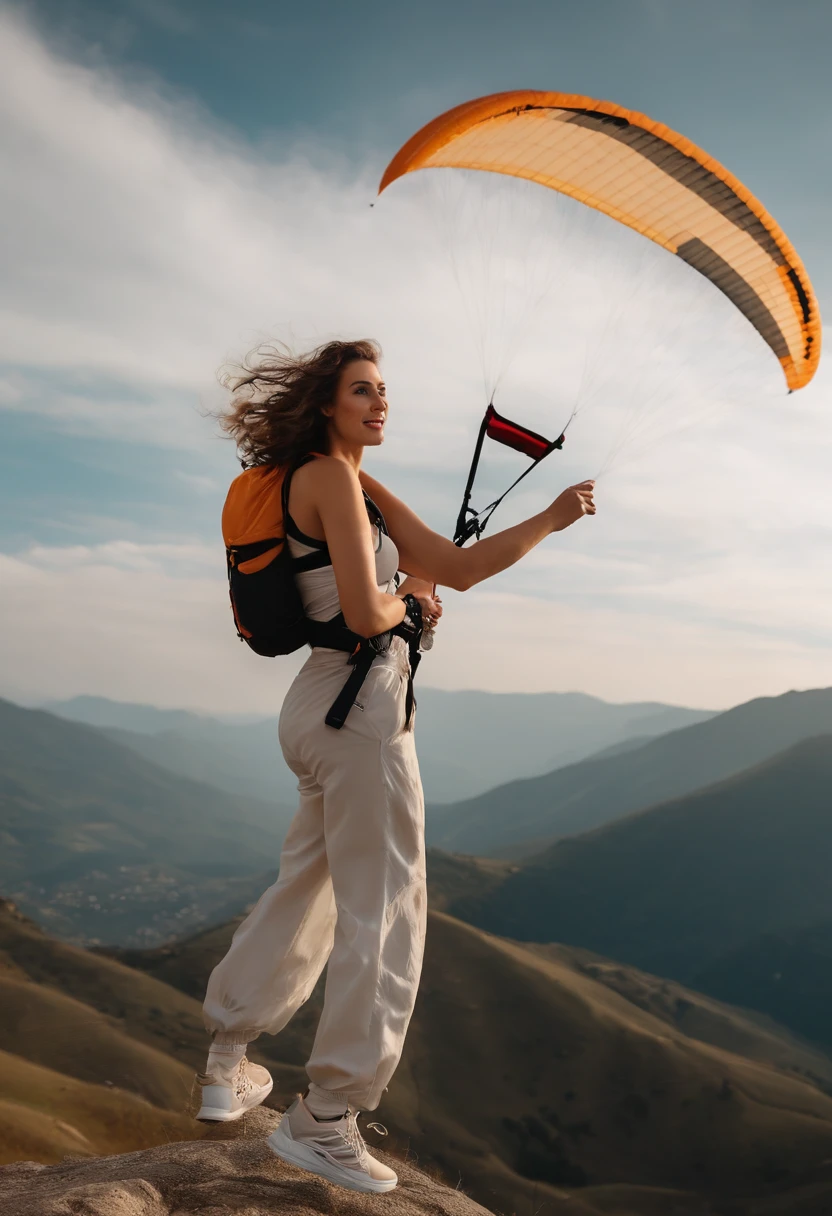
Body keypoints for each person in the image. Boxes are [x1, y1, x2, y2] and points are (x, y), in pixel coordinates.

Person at [196, 338, 595, 1194]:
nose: (380, 404)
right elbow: (371, 603)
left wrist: (551, 518)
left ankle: (227, 1059)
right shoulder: (333, 478)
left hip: (320, 708)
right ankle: (327, 1117)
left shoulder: (346, 481)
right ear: (327, 403)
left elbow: (456, 567)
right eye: (362, 391)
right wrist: (407, 601)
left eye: (383, 391)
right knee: (388, 907)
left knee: (311, 882)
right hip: (361, 711)